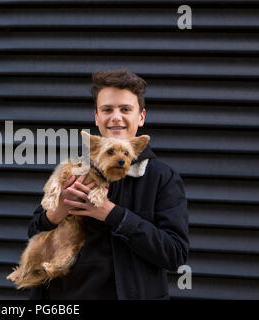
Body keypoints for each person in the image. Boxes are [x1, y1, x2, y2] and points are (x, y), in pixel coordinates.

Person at [27, 69, 189, 300]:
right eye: (107, 110)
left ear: (141, 117)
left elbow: (174, 254)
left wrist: (113, 214)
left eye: (125, 109)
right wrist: (56, 212)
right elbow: (34, 231)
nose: (115, 117)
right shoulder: (76, 168)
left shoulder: (162, 177)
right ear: (96, 117)